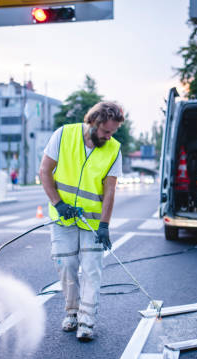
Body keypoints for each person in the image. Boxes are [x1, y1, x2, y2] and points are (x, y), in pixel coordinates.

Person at [39, 102, 124, 341]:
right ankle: (72, 312)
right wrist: (58, 204)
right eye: (106, 131)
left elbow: (110, 191)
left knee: (91, 270)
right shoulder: (63, 135)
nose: (109, 137)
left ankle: (87, 321)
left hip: (93, 223)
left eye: (113, 132)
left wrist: (105, 225)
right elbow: (45, 171)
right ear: (94, 123)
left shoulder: (114, 149)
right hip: (63, 217)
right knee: (66, 266)